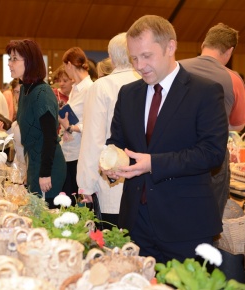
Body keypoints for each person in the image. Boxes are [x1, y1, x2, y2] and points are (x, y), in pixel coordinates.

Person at [101, 15, 228, 263]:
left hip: (186, 224)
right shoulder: (128, 94)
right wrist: (111, 165)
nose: (139, 65)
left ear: (171, 47)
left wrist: (153, 163)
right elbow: (115, 142)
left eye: (147, 56)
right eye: (134, 58)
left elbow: (212, 153)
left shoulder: (204, 91)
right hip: (137, 221)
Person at [179, 23, 245, 218]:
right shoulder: (232, 79)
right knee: (210, 215)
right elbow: (237, 125)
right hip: (212, 157)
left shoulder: (175, 69)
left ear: (203, 44)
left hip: (173, 152)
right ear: (230, 51)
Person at [77, 33, 141, 228]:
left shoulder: (102, 86)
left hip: (111, 178)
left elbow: (93, 139)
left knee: (114, 241)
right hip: (143, 179)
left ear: (111, 58)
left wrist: (85, 184)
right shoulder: (147, 81)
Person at [4, 39, 66, 207]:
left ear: (30, 62)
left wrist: (44, 173)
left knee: (46, 219)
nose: (10, 63)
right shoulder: (25, 89)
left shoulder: (42, 93)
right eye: (9, 58)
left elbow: (50, 137)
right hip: (35, 164)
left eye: (14, 59)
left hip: (49, 168)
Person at [58, 47, 93, 205]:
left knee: (77, 202)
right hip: (69, 150)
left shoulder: (90, 88)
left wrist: (70, 127)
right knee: (69, 200)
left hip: (80, 153)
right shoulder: (76, 89)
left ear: (70, 65)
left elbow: (93, 123)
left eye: (65, 66)